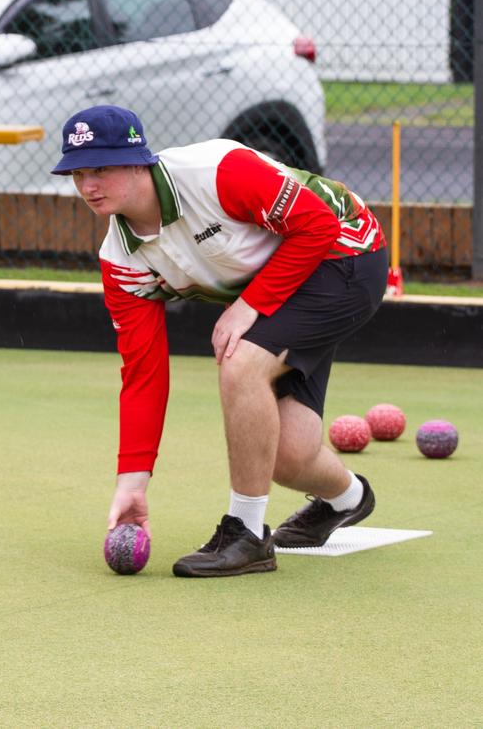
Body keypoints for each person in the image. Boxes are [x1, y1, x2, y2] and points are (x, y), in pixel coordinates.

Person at [52, 105, 388, 578]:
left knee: (240, 359)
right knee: (286, 456)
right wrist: (132, 483)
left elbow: (318, 224)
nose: (88, 185)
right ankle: (348, 499)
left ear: (137, 160)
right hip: (288, 285)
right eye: (77, 173)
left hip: (347, 254)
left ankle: (247, 534)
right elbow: (143, 373)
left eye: (101, 168)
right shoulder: (120, 260)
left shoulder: (216, 172)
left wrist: (251, 305)